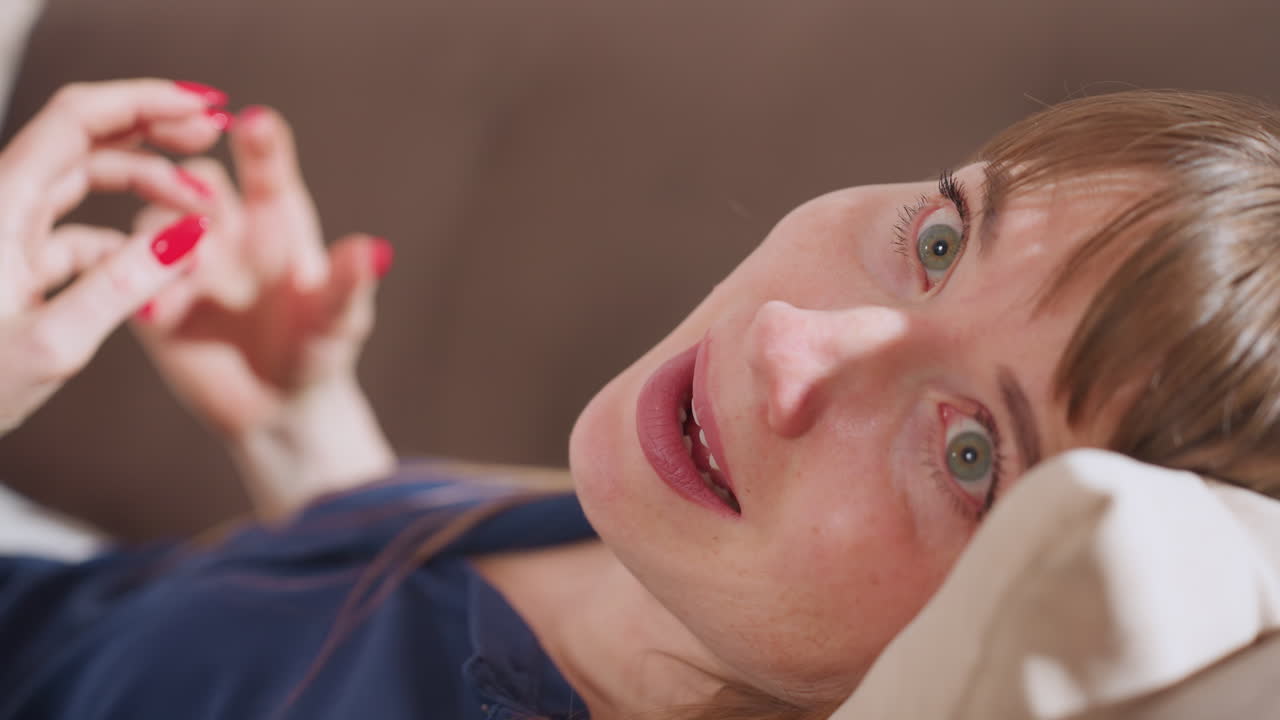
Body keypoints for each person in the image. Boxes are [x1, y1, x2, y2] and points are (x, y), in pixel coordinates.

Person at [2, 79, 1279, 720]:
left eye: (962, 455)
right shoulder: (664, 562)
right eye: (939, 243)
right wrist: (303, 424)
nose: (789, 341)